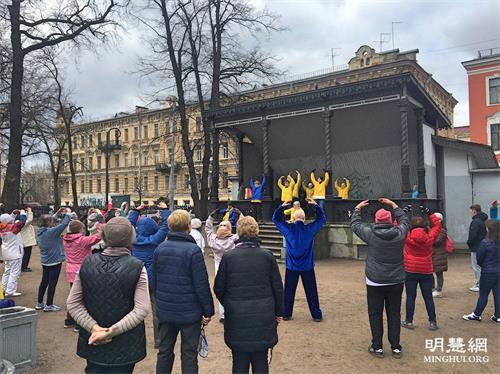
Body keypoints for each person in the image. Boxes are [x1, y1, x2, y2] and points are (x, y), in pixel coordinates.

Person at [67, 217, 150, 374]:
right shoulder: (137, 267)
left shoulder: (86, 263)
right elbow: (141, 309)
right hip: (126, 341)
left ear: (103, 237)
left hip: (93, 339)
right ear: (132, 237)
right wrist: (110, 331)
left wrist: (94, 329)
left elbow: (73, 304)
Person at [214, 216, 284, 374]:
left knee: (239, 360)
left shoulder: (229, 257)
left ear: (238, 232)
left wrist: (230, 303)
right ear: (256, 231)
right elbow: (278, 288)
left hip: (237, 315)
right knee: (261, 360)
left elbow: (219, 287)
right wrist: (279, 312)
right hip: (263, 315)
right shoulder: (267, 256)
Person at [153, 209, 214, 374]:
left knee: (164, 352)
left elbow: (156, 281)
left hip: (166, 311)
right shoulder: (193, 251)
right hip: (190, 312)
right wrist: (208, 310)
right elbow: (201, 284)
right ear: (188, 226)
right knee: (188, 354)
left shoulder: (159, 249)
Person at [350, 198, 410, 359]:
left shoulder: (371, 234)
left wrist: (357, 209)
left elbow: (355, 225)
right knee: (394, 313)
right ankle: (395, 346)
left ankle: (377, 346)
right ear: (391, 220)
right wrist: (394, 205)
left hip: (375, 279)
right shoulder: (400, 233)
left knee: (375, 313)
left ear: (376, 220)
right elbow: (405, 220)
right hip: (396, 279)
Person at [273, 199, 325, 322]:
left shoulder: (288, 229)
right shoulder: (310, 229)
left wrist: (281, 207)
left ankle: (286, 313)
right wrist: (316, 206)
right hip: (307, 266)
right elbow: (321, 219)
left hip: (292, 266)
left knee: (289, 291)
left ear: (293, 217)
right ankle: (316, 314)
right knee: (312, 291)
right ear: (304, 218)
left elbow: (276, 219)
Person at [129, 202, 170, 349]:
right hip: (153, 279)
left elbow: (128, 225)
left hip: (135, 279)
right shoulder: (155, 240)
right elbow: (166, 226)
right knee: (156, 310)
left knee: (134, 311)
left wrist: (135, 211)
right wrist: (165, 210)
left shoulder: (132, 240)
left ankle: (133, 340)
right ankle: (158, 340)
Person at [401, 208, 442, 331]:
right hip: (426, 270)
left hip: (410, 269)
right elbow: (437, 226)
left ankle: (409, 321)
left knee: (410, 297)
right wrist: (430, 213)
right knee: (428, 297)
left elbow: (398, 226)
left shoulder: (408, 238)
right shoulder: (429, 238)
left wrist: (402, 213)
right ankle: (432, 322)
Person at [63, 219, 103, 330]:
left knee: (74, 296)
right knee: (83, 298)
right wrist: (99, 225)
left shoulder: (65, 240)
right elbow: (98, 237)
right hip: (83, 269)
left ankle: (69, 319)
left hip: (70, 270)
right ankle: (79, 323)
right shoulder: (82, 240)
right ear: (81, 229)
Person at [205, 209, 240, 322]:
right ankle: (233, 312)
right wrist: (241, 215)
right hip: (232, 266)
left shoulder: (213, 240)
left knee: (221, 290)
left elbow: (208, 230)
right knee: (233, 289)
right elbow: (241, 230)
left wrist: (210, 217)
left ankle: (223, 315)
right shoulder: (233, 239)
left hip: (218, 265)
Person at [463, 219, 500, 323]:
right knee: (498, 294)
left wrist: (483, 265)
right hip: (498, 272)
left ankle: (477, 314)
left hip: (488, 272)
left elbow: (479, 258)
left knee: (483, 294)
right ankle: (498, 316)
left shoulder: (485, 242)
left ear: (489, 229)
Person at [36, 208, 71, 311]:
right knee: (52, 283)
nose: (53, 221)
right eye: (51, 221)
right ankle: (49, 305)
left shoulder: (41, 231)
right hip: (54, 260)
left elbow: (49, 220)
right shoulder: (52, 232)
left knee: (44, 281)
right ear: (48, 223)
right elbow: (64, 224)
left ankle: (39, 303)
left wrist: (57, 213)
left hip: (45, 260)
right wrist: (67, 213)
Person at [1, 209, 27, 297]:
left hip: (6, 253)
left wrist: (13, 214)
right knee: (14, 273)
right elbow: (22, 222)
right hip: (15, 254)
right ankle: (10, 291)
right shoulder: (13, 228)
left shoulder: (2, 227)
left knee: (7, 272)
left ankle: (3, 289)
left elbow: (8, 221)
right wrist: (23, 212)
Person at [467, 204, 488, 292]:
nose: (470, 212)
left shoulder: (476, 221)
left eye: (470, 210)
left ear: (474, 210)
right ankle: (482, 283)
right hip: (483, 245)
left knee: (476, 266)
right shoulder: (484, 220)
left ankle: (480, 284)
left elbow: (473, 235)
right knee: (481, 266)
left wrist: (469, 243)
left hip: (476, 247)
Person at [431, 213, 448, 298]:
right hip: (433, 254)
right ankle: (432, 288)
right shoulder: (432, 229)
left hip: (438, 254)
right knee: (430, 273)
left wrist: (429, 238)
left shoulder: (442, 230)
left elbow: (437, 242)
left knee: (439, 273)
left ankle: (439, 290)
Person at [20, 207, 36, 272]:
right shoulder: (23, 224)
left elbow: (27, 219)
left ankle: (23, 266)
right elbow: (29, 220)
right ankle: (24, 267)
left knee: (23, 254)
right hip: (27, 241)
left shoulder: (18, 223)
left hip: (23, 241)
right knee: (26, 254)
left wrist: (25, 212)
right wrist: (30, 211)